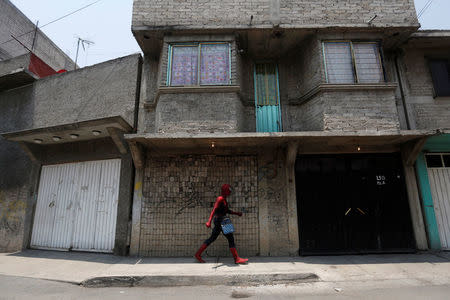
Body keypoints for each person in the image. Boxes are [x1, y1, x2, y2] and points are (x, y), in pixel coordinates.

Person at [194, 184, 248, 264]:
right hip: (222, 220)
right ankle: (236, 259)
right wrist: (209, 221)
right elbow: (214, 209)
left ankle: (198, 254)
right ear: (226, 191)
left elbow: (226, 211)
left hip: (219, 220)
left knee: (212, 238)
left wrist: (236, 213)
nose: (230, 192)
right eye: (229, 191)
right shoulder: (220, 199)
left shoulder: (224, 199)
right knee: (230, 238)